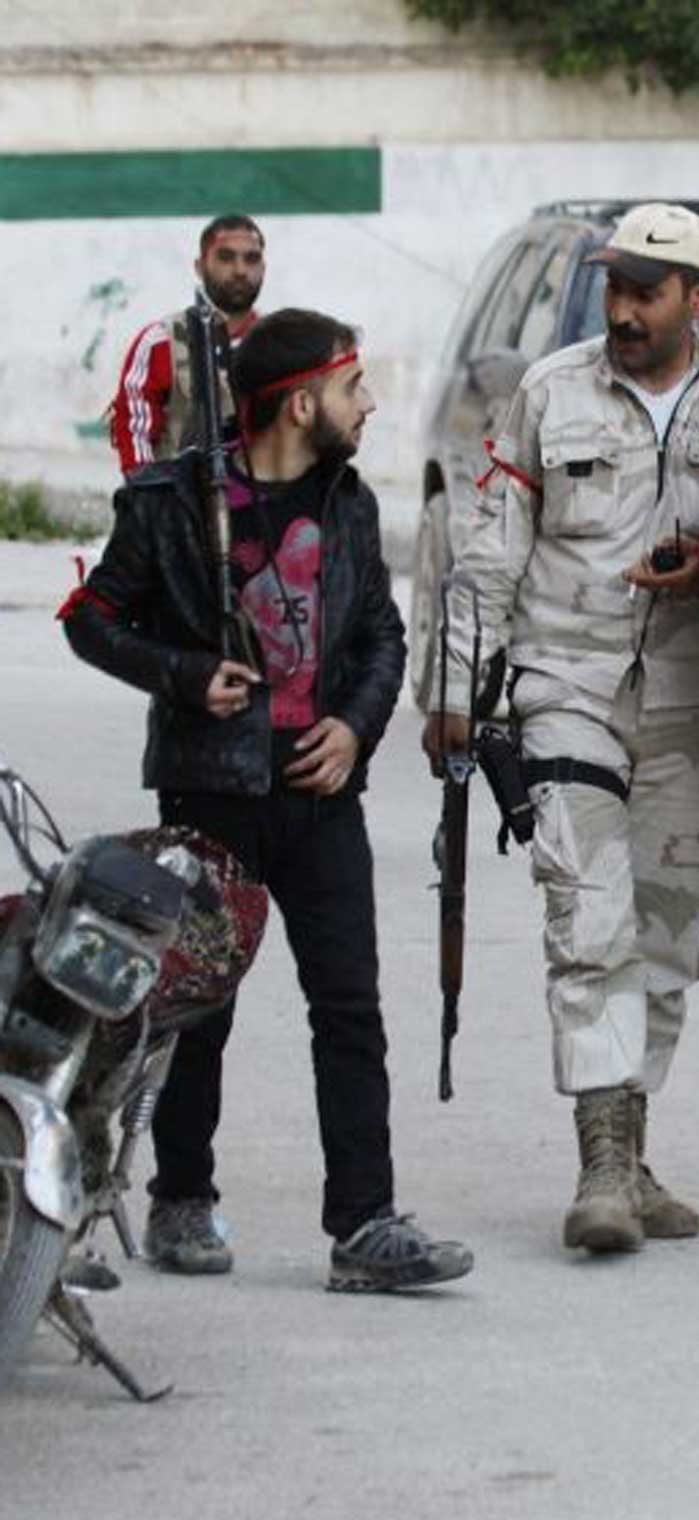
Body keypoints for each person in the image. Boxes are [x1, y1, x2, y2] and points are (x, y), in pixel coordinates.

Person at [63, 308, 471, 1293]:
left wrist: (354, 729)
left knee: (349, 1008)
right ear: (300, 401)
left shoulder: (348, 504)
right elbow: (91, 621)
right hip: (211, 793)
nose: (367, 404)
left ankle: (364, 1224)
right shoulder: (169, 502)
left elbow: (378, 638)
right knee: (194, 1011)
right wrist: (185, 673)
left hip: (320, 794)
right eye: (352, 386)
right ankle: (180, 1199)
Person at [426, 204, 699, 1255]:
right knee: (588, 916)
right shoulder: (548, 391)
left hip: (688, 694)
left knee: (665, 928)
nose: (621, 308)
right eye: (613, 286)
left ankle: (636, 1138)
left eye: (645, 292)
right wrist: (454, 691)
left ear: (696, 299)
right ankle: (600, 1165)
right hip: (566, 684)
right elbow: (488, 552)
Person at [109, 213, 266, 478]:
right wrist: (155, 503)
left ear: (263, 267)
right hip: (183, 504)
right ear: (199, 266)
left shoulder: (279, 343)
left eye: (251, 259)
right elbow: (134, 435)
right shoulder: (162, 343)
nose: (240, 270)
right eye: (226, 257)